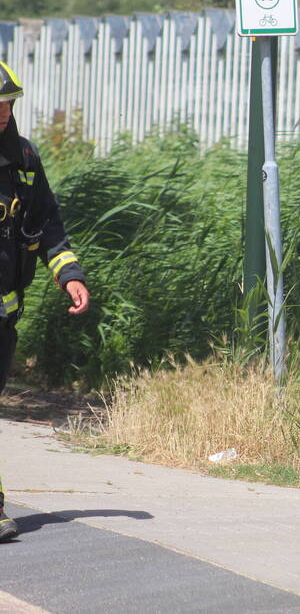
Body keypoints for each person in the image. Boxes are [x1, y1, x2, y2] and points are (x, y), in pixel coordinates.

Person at [0, 61, 90, 542]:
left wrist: (69, 275)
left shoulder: (25, 159)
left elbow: (49, 225)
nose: (2, 112)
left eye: (8, 103)